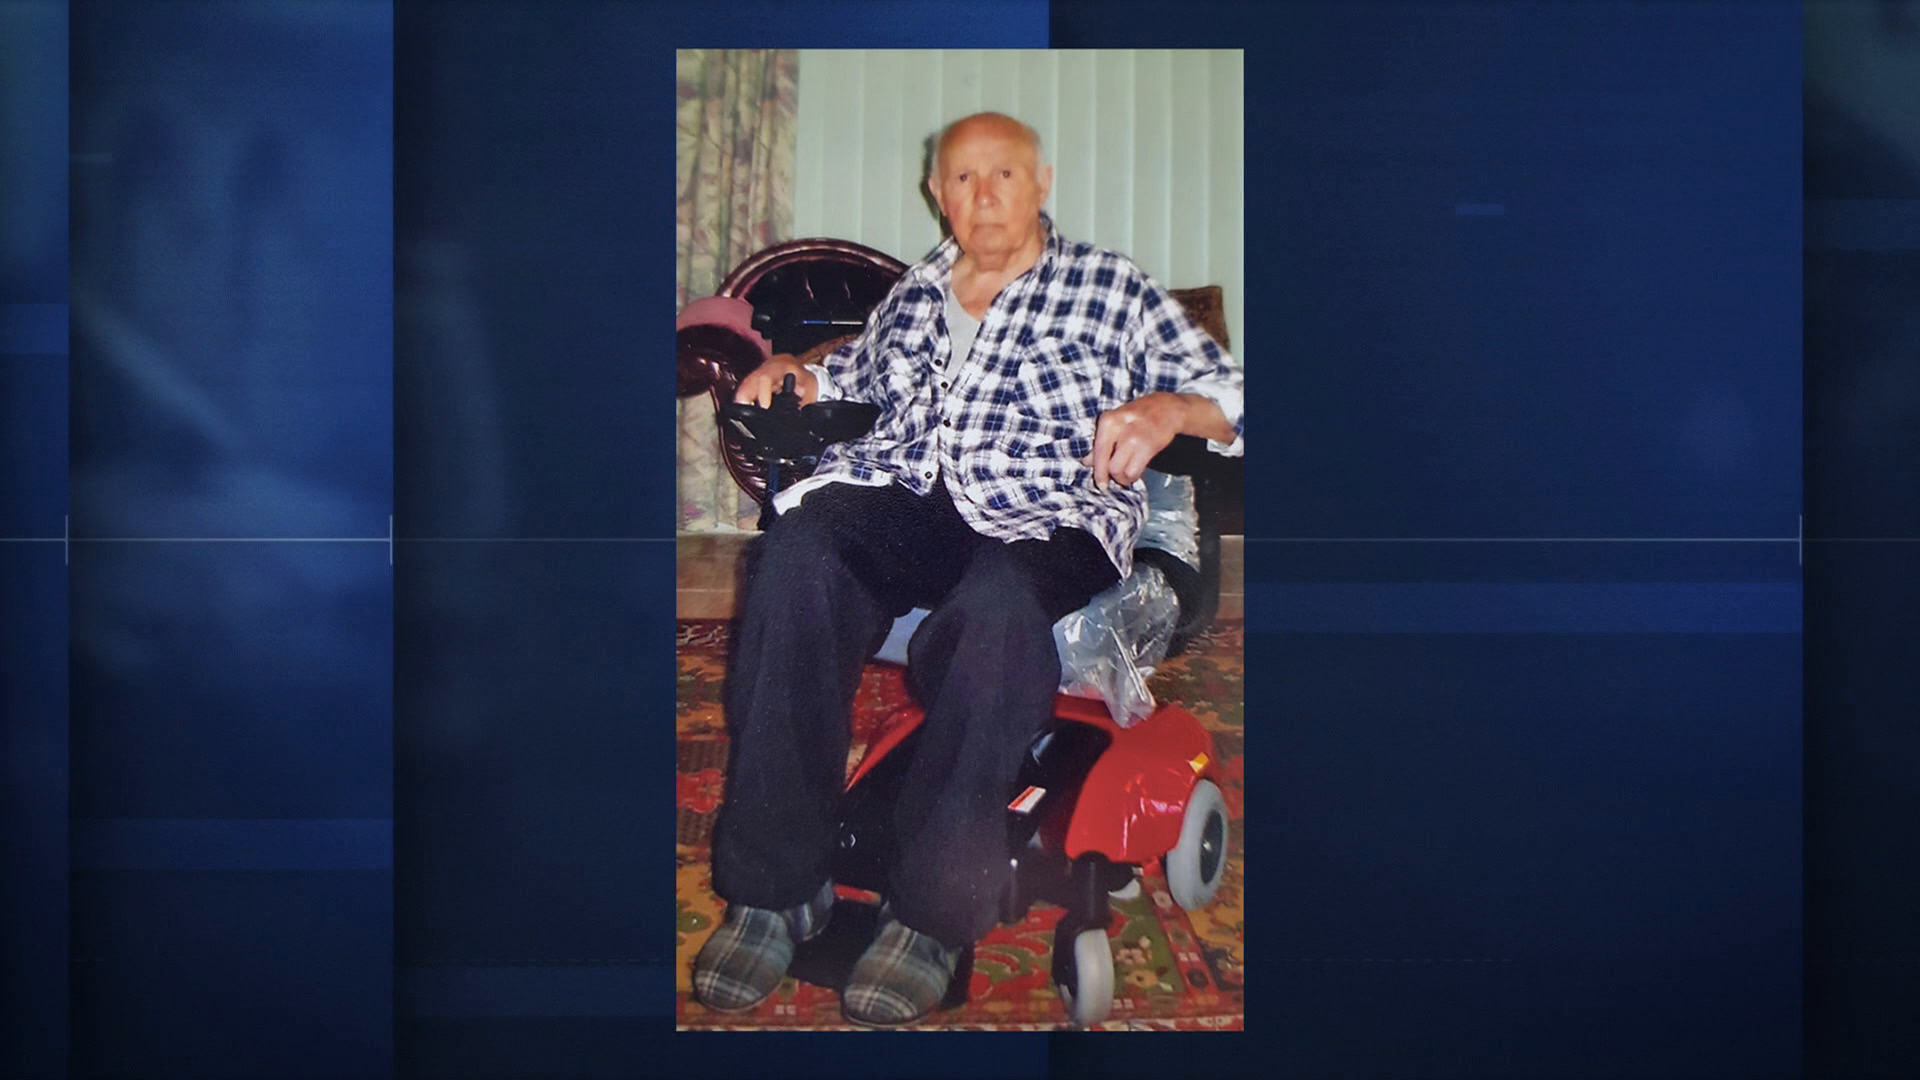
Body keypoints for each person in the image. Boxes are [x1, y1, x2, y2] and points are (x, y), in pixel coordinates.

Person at [692, 111, 1244, 1025]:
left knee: (995, 612)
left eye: (1004, 175)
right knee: (797, 557)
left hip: (1048, 510)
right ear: (936, 192)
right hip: (915, 494)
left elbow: (1235, 397)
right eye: (962, 178)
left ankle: (933, 913)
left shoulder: (1109, 287)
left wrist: (1168, 409)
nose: (982, 196)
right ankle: (774, 888)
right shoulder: (916, 292)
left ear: (1042, 183)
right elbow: (855, 378)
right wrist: (797, 372)